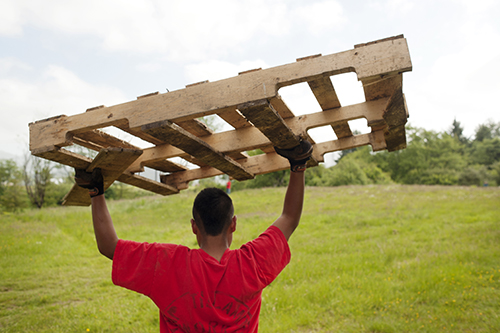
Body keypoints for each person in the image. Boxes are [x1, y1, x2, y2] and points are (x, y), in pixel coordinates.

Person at [75, 140, 313, 332]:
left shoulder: (169, 265)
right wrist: (298, 164)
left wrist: (96, 192)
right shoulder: (251, 264)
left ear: (193, 226)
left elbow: (109, 247)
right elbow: (289, 218)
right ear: (233, 224)